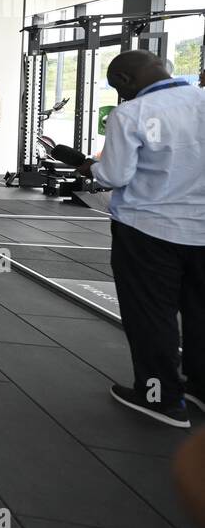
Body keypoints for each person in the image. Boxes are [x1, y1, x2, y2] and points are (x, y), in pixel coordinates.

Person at [74, 50, 205, 428]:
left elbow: (114, 176)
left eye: (118, 87)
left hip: (149, 230)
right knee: (201, 311)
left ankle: (160, 397)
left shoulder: (131, 114)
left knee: (151, 314)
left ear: (126, 81)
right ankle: (201, 386)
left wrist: (91, 166)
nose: (120, 95)